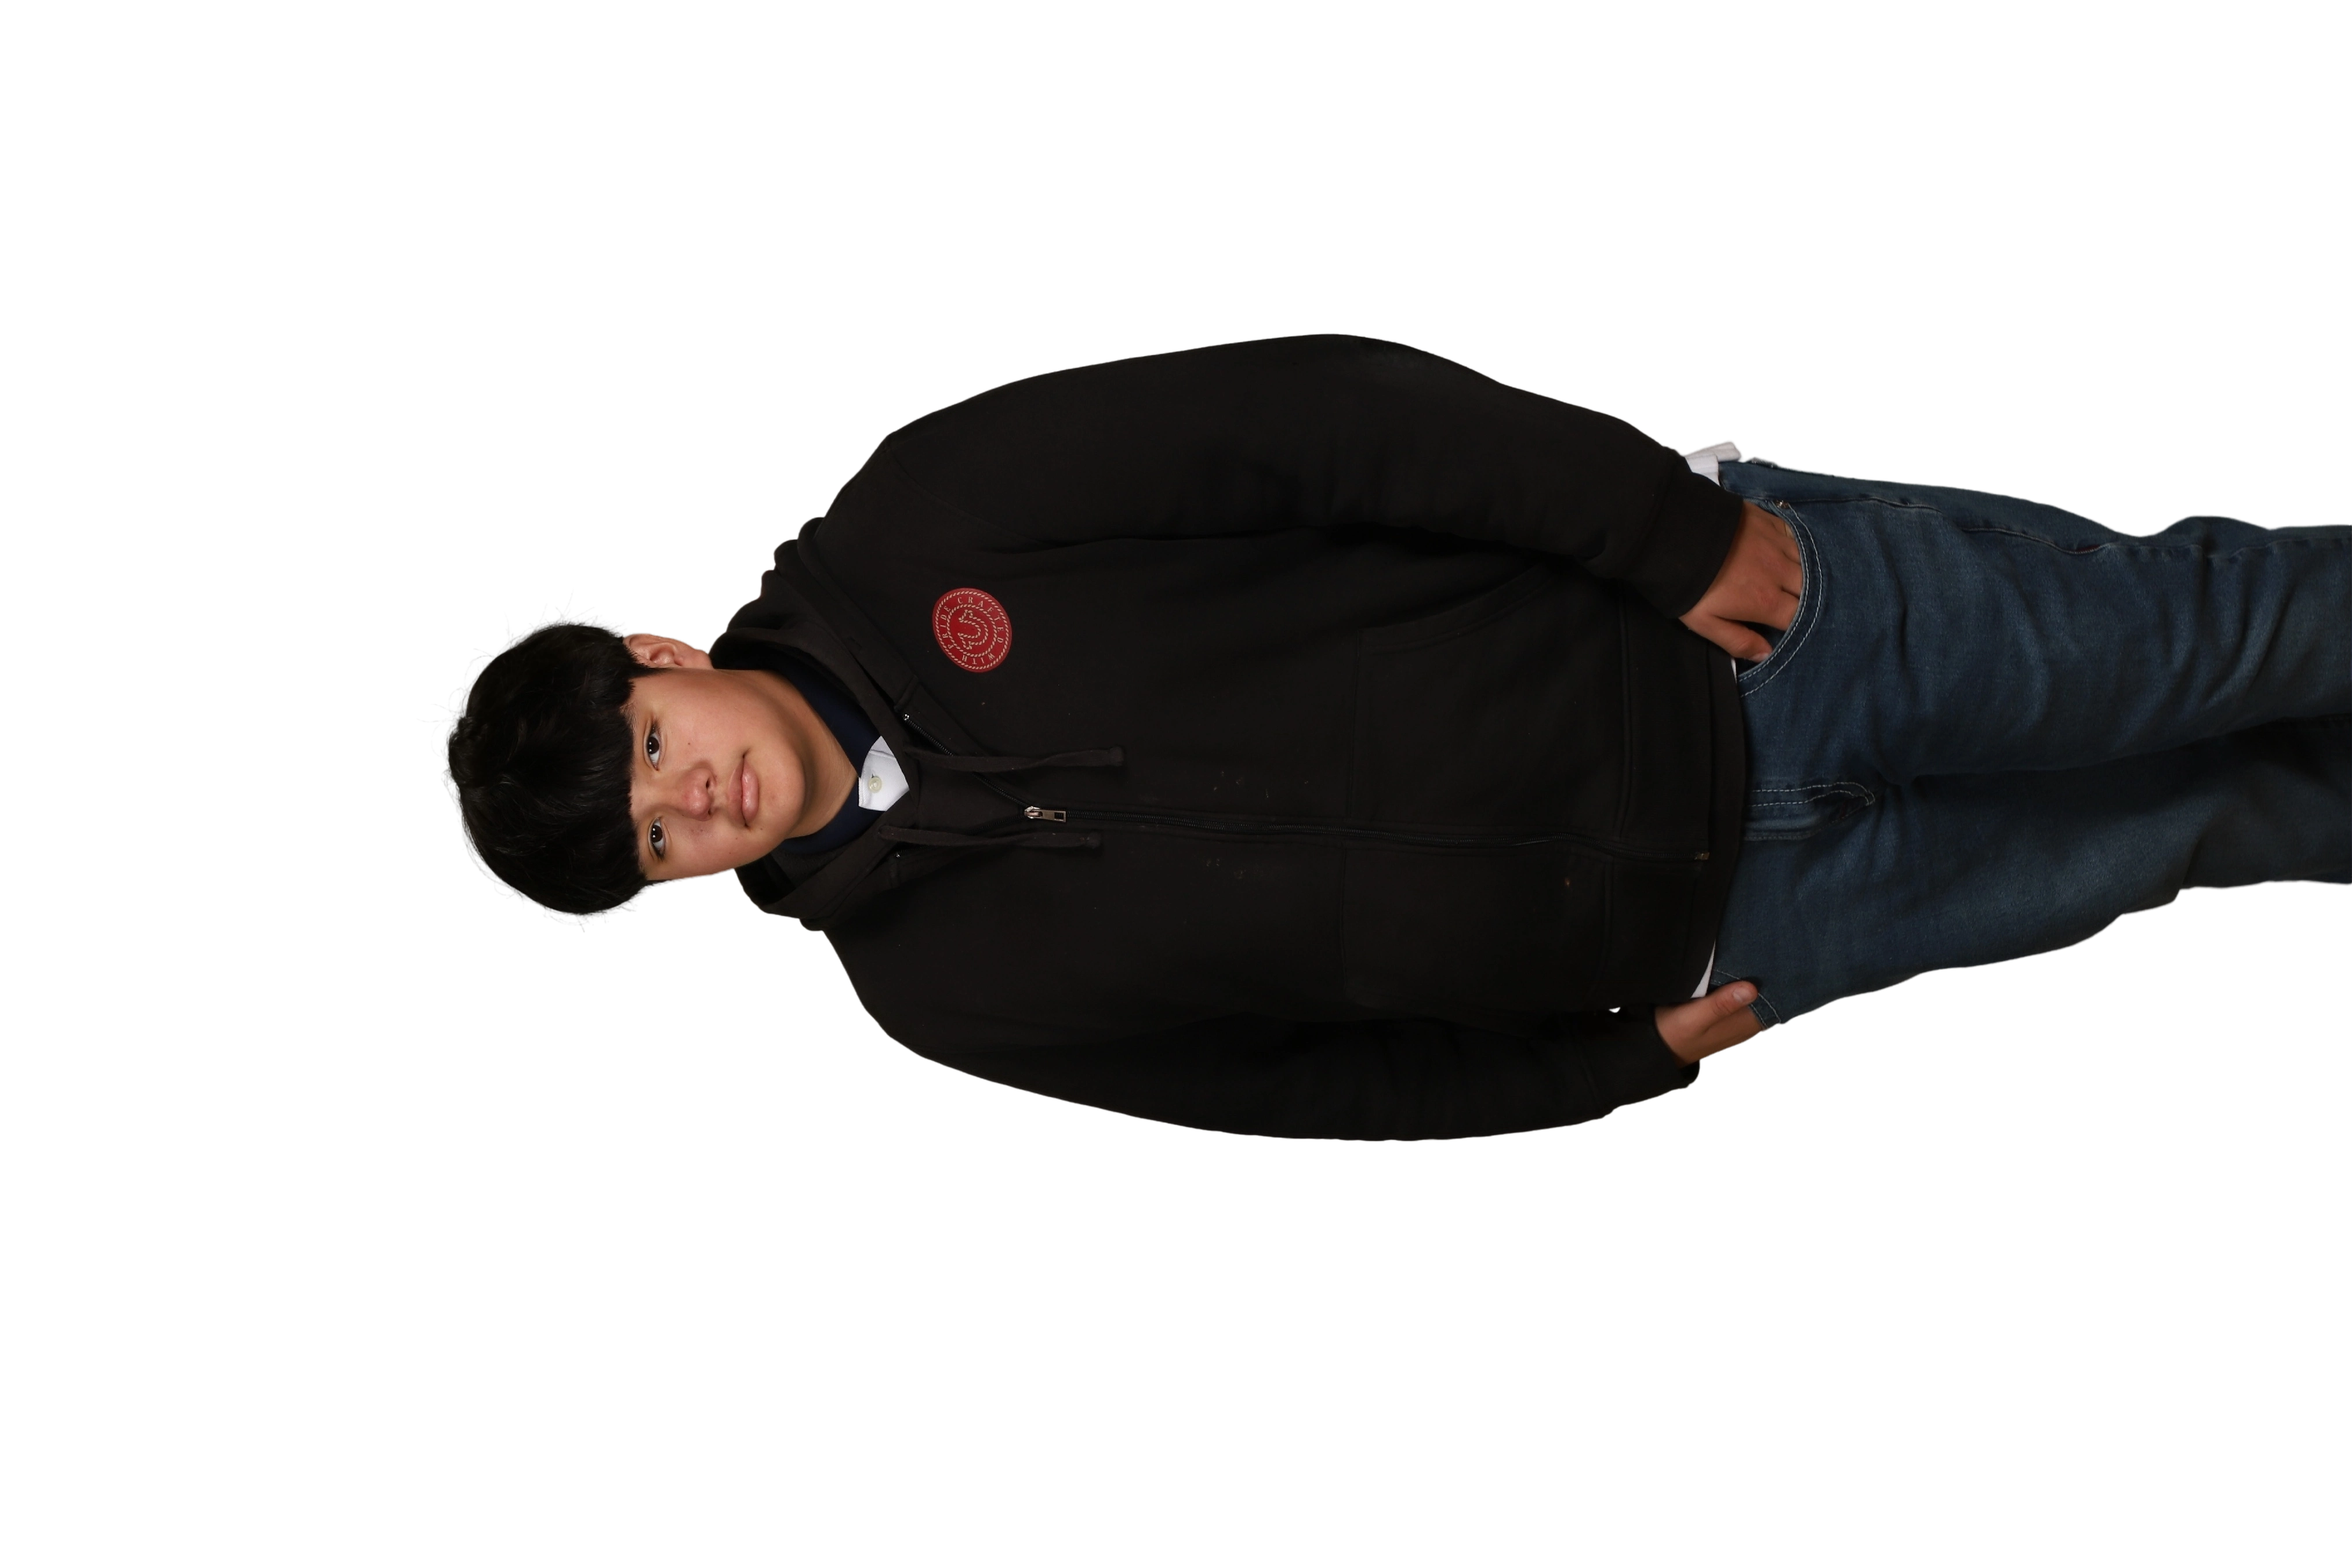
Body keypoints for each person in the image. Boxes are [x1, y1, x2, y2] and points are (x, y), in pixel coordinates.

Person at [426, 331, 2352, 1141]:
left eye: (651, 747)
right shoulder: (935, 998)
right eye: (660, 841)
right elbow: (1300, 1087)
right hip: (1745, 925)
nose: (695, 797)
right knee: (2200, 824)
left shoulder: (930, 511)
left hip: (1742, 646)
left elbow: (1328, 420)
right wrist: (1608, 1062)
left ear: (659, 657)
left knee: (2220, 639)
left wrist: (1662, 533)